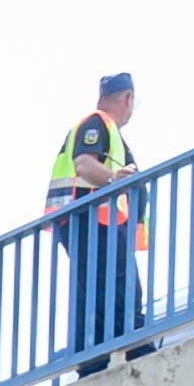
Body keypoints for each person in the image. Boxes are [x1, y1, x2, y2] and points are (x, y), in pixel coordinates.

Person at [52, 75, 148, 370]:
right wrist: (113, 178)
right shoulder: (97, 122)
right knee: (120, 288)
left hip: (93, 223)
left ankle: (94, 359)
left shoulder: (109, 132)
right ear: (128, 97)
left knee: (97, 290)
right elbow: (83, 163)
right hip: (93, 223)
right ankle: (135, 349)